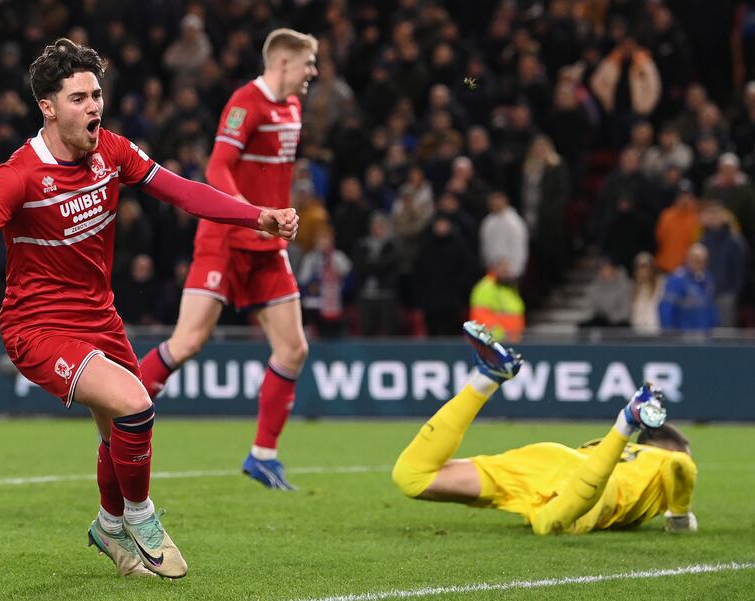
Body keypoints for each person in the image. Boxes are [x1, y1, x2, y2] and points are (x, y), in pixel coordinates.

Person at [0, 39, 298, 579]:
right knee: (136, 404)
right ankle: (141, 517)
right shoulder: (16, 176)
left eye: (97, 94)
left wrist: (257, 216)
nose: (94, 106)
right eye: (79, 98)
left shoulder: (111, 151)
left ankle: (108, 525)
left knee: (119, 433)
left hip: (99, 317)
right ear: (48, 106)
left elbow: (182, 191)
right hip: (37, 328)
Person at [137, 28, 318, 491]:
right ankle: (122, 407)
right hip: (227, 236)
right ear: (282, 64)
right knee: (189, 341)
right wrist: (254, 214)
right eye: (307, 64)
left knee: (294, 348)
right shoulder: (245, 102)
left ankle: (263, 455)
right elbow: (216, 168)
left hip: (267, 242)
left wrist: (276, 216)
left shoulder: (293, 108)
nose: (312, 72)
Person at [392, 321, 698, 535]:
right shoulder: (660, 460)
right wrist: (680, 516)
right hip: (595, 486)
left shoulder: (631, 456)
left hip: (547, 460)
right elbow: (681, 466)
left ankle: (486, 378)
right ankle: (625, 421)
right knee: (548, 525)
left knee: (411, 477)